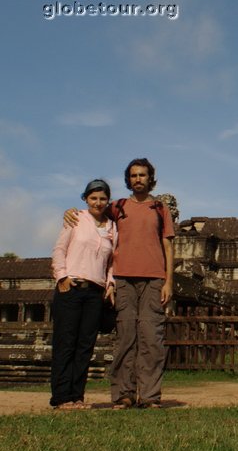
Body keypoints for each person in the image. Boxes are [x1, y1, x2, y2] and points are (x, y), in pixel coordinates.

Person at [64, 158, 175, 409]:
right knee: (125, 337)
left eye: (142, 175)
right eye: (134, 175)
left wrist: (169, 281)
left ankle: (149, 395)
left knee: (151, 338)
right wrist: (70, 212)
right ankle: (123, 394)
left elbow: (168, 245)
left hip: (154, 278)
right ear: (129, 179)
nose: (138, 179)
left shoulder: (159, 208)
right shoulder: (118, 206)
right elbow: (94, 213)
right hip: (123, 278)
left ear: (150, 178)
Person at [51, 179, 117, 410]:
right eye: (93, 198)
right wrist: (62, 277)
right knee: (65, 343)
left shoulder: (112, 227)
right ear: (85, 199)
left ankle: (77, 396)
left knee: (85, 346)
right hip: (71, 287)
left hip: (95, 293)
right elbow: (59, 249)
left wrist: (110, 284)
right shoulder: (75, 218)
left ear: (108, 201)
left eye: (102, 198)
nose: (98, 203)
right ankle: (61, 397)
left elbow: (112, 261)